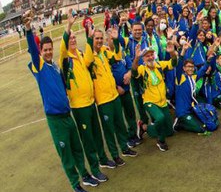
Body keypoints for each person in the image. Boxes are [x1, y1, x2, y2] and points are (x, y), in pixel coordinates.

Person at [24, 11, 98, 192]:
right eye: (45, 50)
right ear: (41, 52)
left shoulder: (56, 67)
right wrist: (27, 29)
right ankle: (75, 184)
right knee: (66, 154)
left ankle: (85, 175)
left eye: (50, 49)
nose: (48, 52)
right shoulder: (39, 66)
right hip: (55, 120)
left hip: (67, 116)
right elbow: (32, 49)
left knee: (77, 149)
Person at [60, 15, 115, 173]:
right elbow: (63, 47)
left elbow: (90, 60)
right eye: (70, 38)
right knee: (88, 138)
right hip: (79, 106)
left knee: (97, 134)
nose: (72, 40)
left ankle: (103, 159)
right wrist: (69, 27)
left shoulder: (81, 54)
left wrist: (90, 40)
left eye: (74, 37)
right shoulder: (65, 58)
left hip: (91, 102)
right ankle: (94, 168)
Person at [86, 26, 138, 165]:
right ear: (92, 40)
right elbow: (88, 61)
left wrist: (115, 40)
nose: (99, 41)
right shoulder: (89, 55)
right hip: (103, 100)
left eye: (100, 38)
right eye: (96, 38)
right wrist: (89, 39)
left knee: (120, 124)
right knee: (109, 129)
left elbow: (117, 57)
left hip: (114, 95)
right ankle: (115, 155)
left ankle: (124, 148)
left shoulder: (104, 51)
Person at [132, 43, 179, 152]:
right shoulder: (142, 69)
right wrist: (136, 58)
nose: (150, 57)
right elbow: (134, 72)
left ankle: (144, 127)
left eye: (151, 55)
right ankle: (161, 141)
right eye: (147, 56)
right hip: (150, 101)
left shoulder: (159, 65)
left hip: (162, 101)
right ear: (143, 58)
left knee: (169, 131)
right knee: (160, 118)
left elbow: (174, 63)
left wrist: (172, 52)